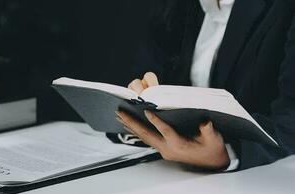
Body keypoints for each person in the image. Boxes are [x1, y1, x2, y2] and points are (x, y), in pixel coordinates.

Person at [115, 0, 295, 171]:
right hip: (164, 168)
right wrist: (142, 100)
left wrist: (229, 152)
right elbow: (148, 72)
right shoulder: (178, 6)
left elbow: (290, 119)